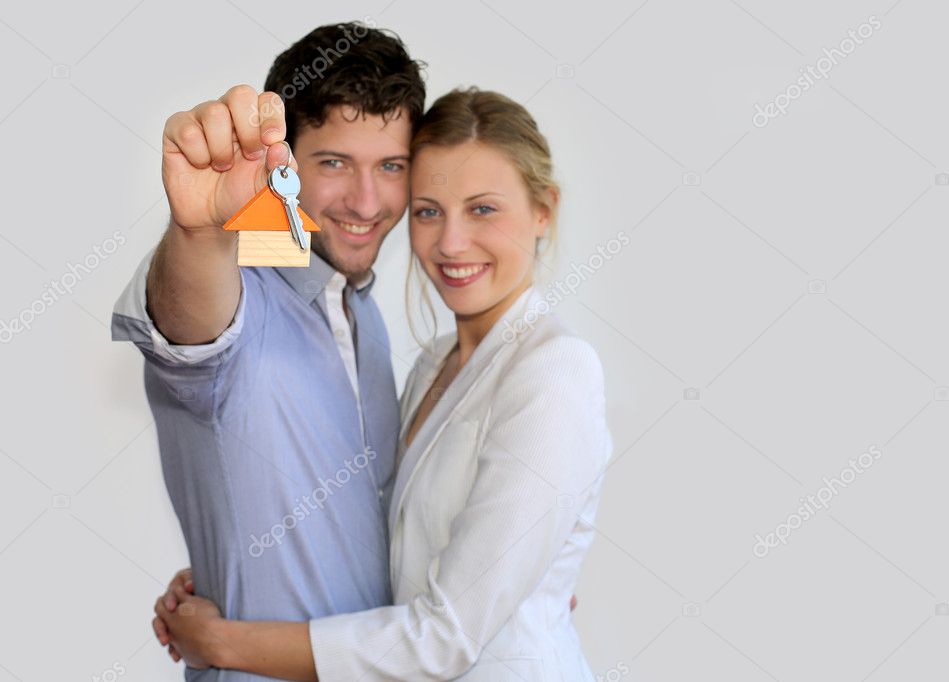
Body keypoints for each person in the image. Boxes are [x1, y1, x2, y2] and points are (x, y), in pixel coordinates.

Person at [155, 87, 613, 681]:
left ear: (543, 210)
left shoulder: (554, 369)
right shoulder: (435, 365)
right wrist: (236, 573)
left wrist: (223, 642)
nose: (451, 243)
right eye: (428, 211)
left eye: (483, 209)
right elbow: (394, 546)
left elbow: (444, 638)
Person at [112, 22, 425, 681]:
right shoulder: (237, 291)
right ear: (284, 165)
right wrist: (195, 230)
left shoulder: (362, 315)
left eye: (390, 166)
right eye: (334, 163)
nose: (366, 202)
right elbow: (191, 322)